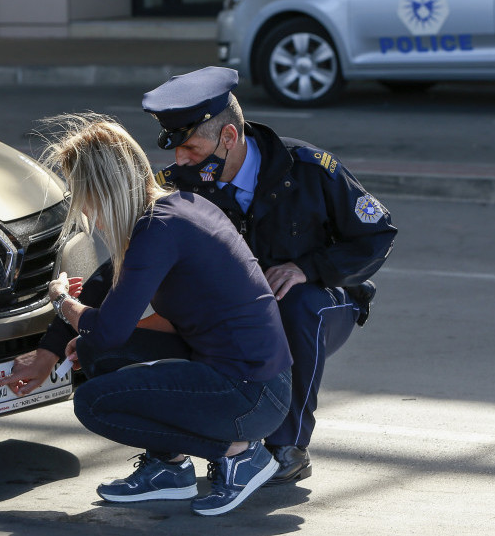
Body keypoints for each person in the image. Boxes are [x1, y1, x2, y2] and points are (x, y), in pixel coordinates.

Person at [0, 112, 293, 517]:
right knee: (95, 351)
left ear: (104, 190)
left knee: (94, 404)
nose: (84, 212)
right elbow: (104, 292)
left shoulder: (158, 230)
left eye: (84, 198)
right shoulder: (175, 209)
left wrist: (62, 299)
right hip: (255, 379)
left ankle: (239, 455)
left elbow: (109, 329)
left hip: (251, 394)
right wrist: (52, 350)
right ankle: (168, 470)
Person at [142, 66, 397, 485]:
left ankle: (286, 447)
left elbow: (377, 235)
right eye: (176, 150)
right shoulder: (179, 184)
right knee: (167, 317)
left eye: (190, 147)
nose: (181, 160)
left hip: (320, 302)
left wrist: (308, 268)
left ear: (229, 137)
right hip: (235, 310)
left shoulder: (309, 168)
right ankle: (172, 451)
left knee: (297, 304)